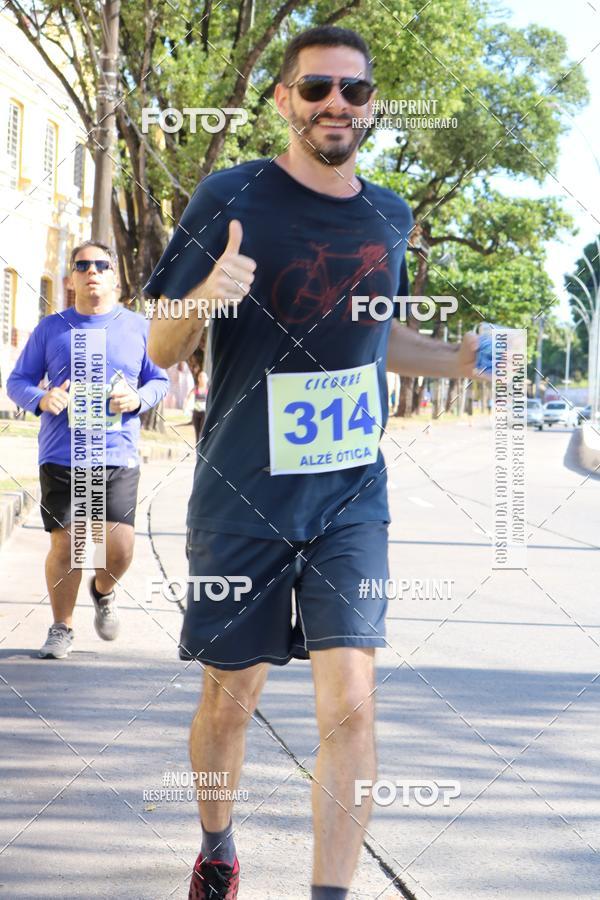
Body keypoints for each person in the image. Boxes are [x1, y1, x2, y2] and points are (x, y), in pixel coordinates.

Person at [146, 25, 480, 900]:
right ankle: (218, 844)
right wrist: (202, 298)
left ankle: (328, 893)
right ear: (284, 100)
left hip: (348, 497)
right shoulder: (232, 194)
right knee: (230, 700)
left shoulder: (389, 214)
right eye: (317, 88)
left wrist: (456, 360)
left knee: (352, 703)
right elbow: (161, 343)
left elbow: (378, 332)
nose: (336, 103)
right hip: (241, 494)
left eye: (354, 92)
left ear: (371, 108)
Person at [7, 241, 169, 659]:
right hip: (63, 452)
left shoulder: (138, 327)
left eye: (101, 265)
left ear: (115, 277)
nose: (92, 271)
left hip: (117, 452)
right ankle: (62, 627)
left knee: (118, 548)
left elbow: (159, 381)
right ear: (72, 278)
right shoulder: (51, 327)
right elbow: (17, 382)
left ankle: (104, 589)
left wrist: (137, 398)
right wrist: (42, 400)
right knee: (69, 544)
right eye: (83, 265)